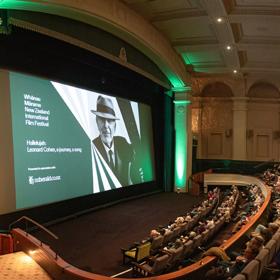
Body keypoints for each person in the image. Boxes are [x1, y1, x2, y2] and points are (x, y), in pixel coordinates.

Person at [91, 95, 139, 186]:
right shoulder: (92, 148)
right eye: (102, 119)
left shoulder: (123, 143)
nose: (106, 125)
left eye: (110, 120)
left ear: (115, 125)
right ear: (97, 121)